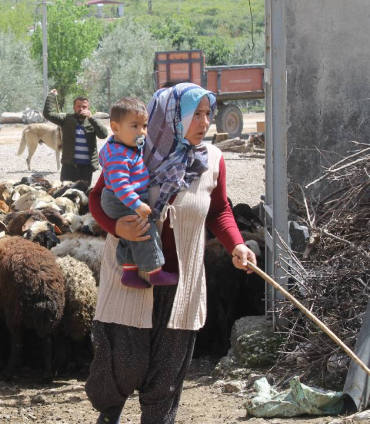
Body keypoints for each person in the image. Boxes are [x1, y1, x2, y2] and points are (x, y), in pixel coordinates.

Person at [84, 83, 258, 424]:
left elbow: (219, 209)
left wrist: (236, 244)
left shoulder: (212, 161)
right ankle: (110, 416)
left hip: (181, 282)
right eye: (196, 114)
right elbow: (97, 198)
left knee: (168, 370)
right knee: (124, 363)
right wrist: (118, 228)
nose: (204, 122)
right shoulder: (134, 151)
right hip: (131, 275)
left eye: (208, 114)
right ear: (172, 116)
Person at [98, 97, 178, 289]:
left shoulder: (124, 147)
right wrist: (137, 204)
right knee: (144, 230)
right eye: (134, 126)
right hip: (121, 199)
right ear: (115, 127)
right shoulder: (119, 155)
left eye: (144, 126)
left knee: (130, 235)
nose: (141, 132)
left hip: (121, 198)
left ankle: (129, 271)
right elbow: (120, 186)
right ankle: (155, 272)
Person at [43, 89, 109, 183]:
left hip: (86, 168)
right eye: (78, 106)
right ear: (74, 107)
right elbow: (47, 114)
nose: (81, 109)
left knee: (83, 194)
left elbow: (103, 134)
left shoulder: (92, 122)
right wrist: (52, 96)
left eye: (84, 106)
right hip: (69, 166)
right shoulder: (66, 119)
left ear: (88, 108)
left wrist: (91, 118)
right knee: (64, 193)